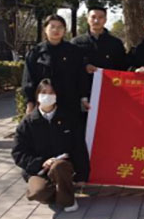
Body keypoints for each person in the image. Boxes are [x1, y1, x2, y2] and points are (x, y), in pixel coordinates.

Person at [12, 79, 90, 212]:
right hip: (38, 170)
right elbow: (18, 153)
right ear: (37, 96)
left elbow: (79, 147)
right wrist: (41, 162)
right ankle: (61, 192)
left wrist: (82, 176)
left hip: (63, 167)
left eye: (51, 93)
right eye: (44, 93)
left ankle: (68, 201)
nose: (47, 96)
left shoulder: (69, 118)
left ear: (56, 96)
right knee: (38, 192)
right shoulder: (27, 123)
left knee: (59, 166)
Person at [21, 14, 90, 122]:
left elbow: (81, 77)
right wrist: (30, 103)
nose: (56, 30)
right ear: (45, 29)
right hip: (45, 102)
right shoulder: (35, 53)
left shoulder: (74, 52)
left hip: (69, 102)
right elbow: (28, 80)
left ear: (64, 30)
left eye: (60, 27)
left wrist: (84, 98)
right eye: (52, 27)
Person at [71, 6, 127, 71]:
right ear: (87, 19)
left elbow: (122, 67)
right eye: (93, 17)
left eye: (100, 17)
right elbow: (70, 65)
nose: (96, 21)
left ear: (105, 20)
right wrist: (84, 67)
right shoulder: (76, 42)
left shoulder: (115, 43)